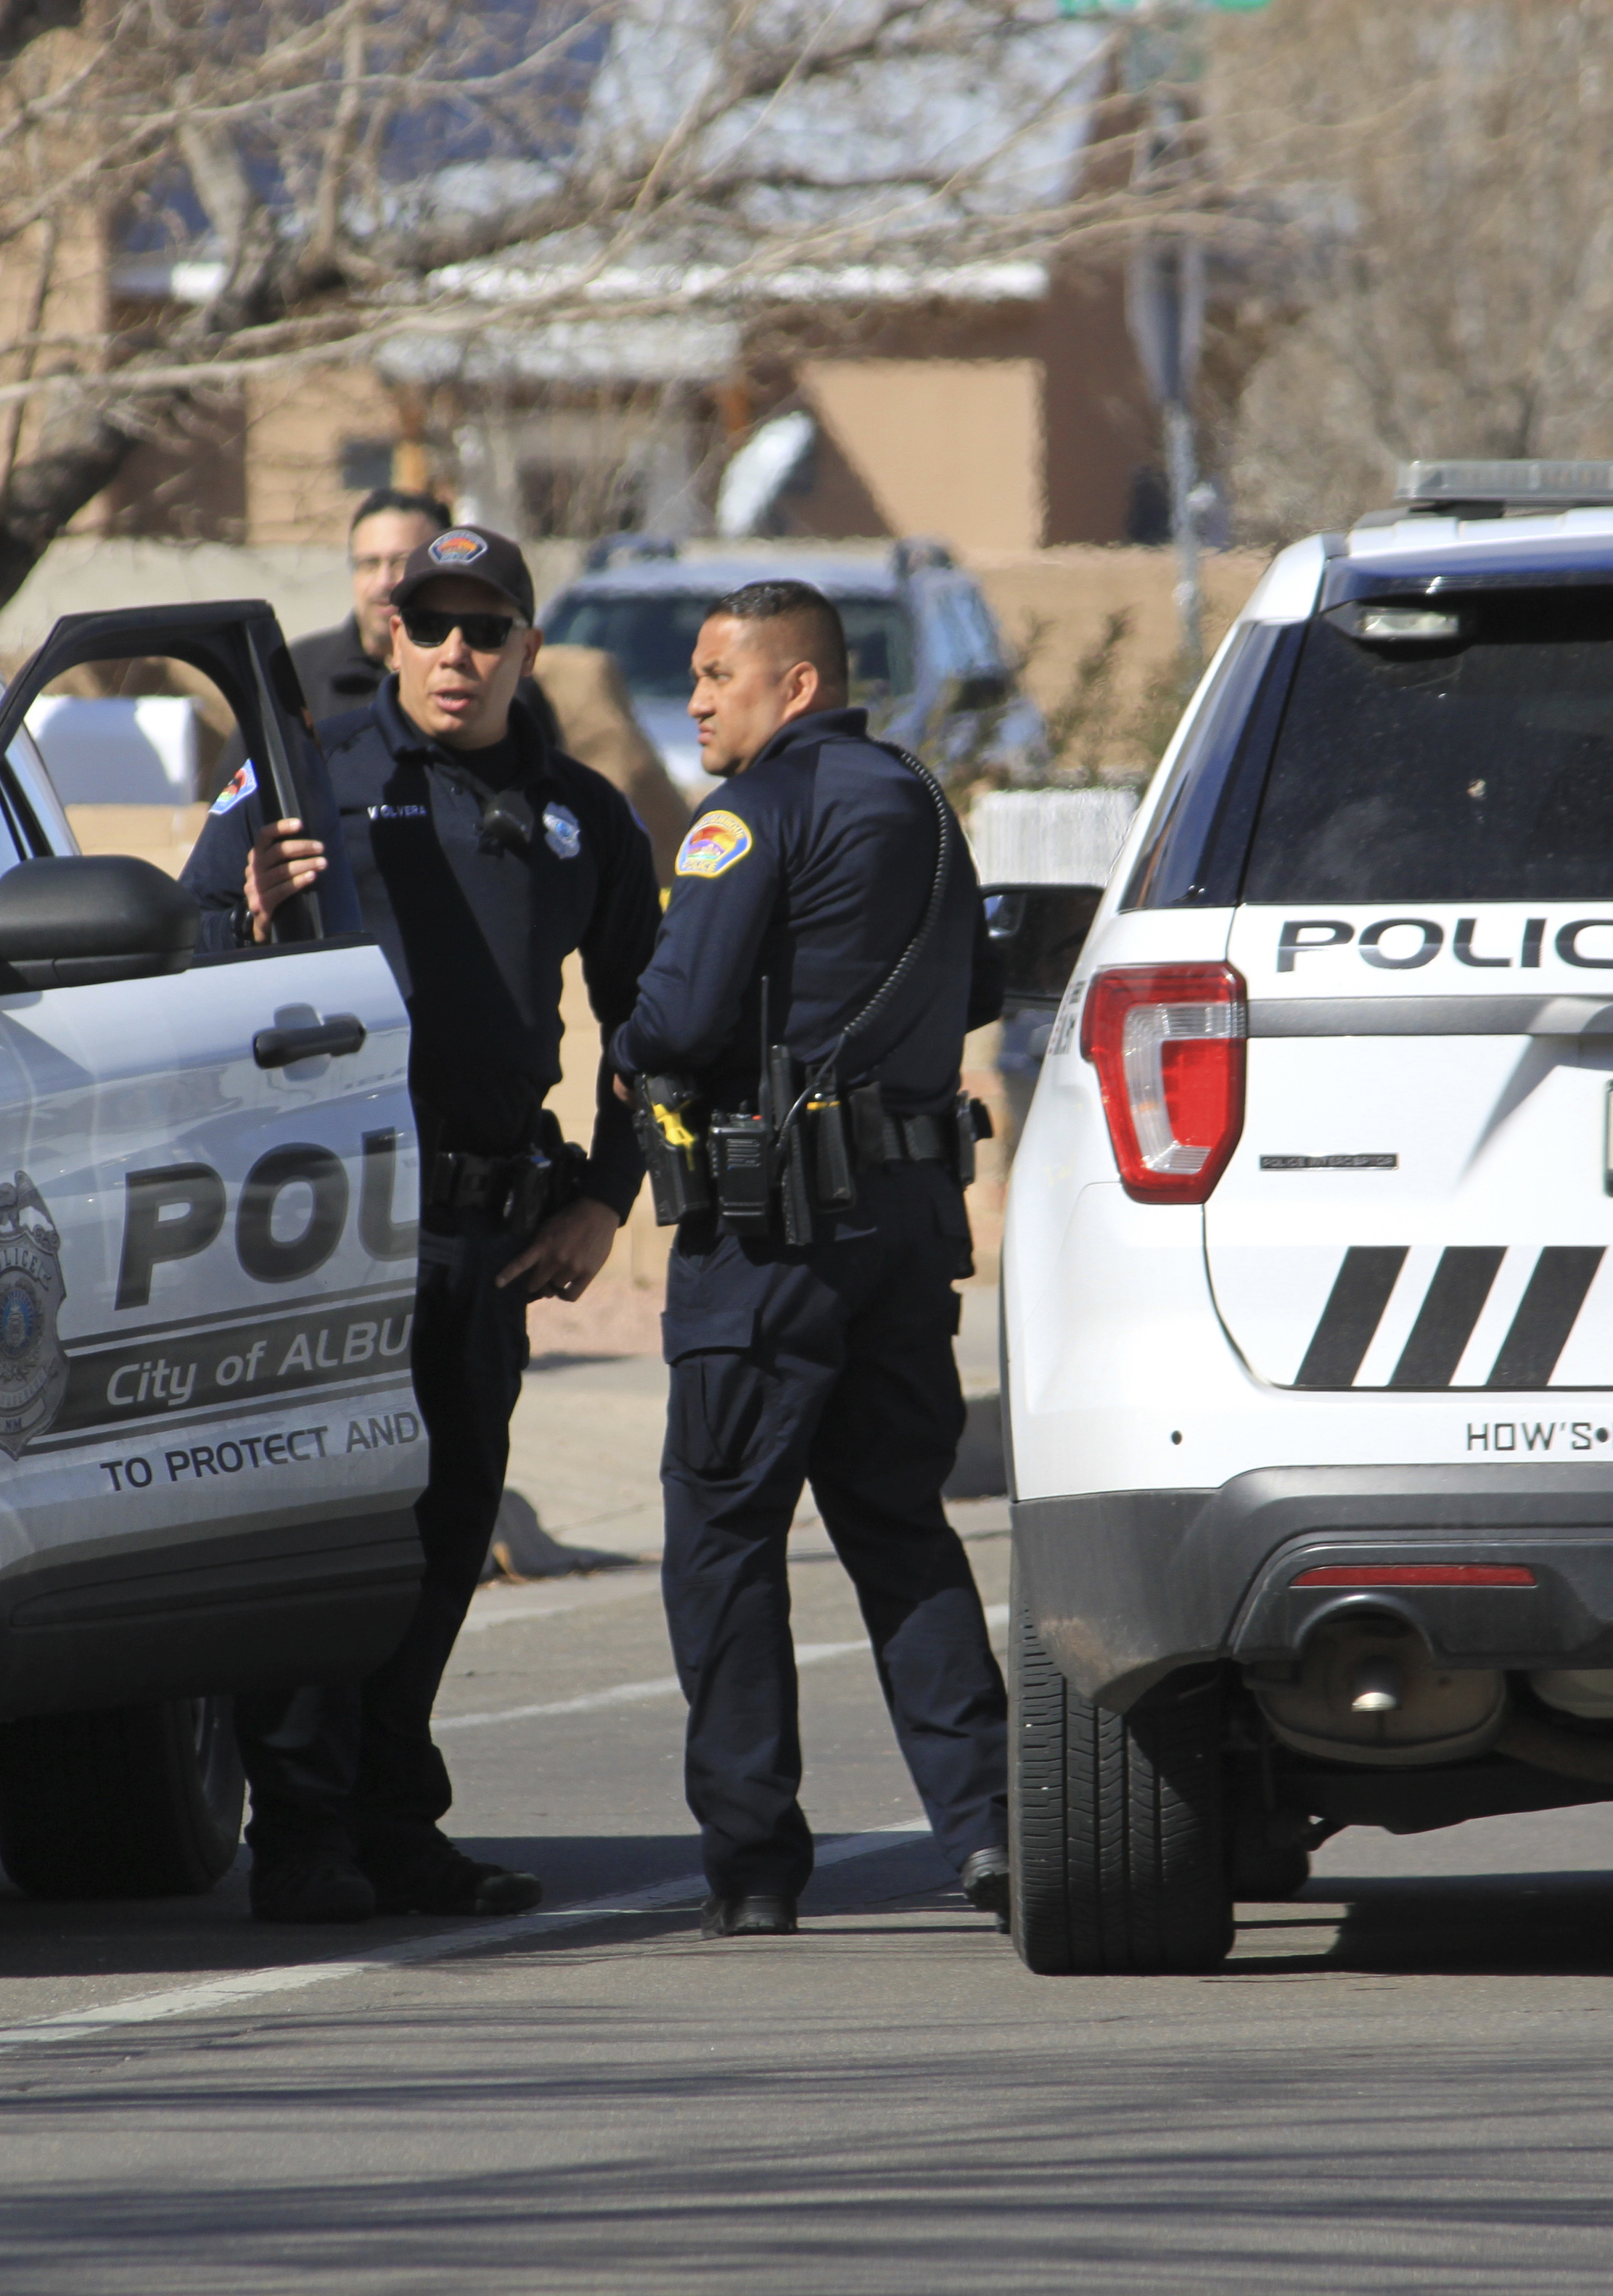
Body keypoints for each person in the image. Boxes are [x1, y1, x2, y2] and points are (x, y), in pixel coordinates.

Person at [182, 524, 657, 1924]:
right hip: (331, 1217)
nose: (457, 653)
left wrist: (602, 1197)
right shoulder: (306, 772)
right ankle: (303, 1832)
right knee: (335, 1524)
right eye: (430, 625)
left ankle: (394, 1821)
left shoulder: (584, 814)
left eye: (485, 628)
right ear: (390, 634)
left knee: (449, 1535)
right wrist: (249, 922)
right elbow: (187, 956)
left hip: (482, 1227)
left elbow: (651, 1019)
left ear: (524, 643)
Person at [608, 579, 1011, 1941]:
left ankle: (756, 1861)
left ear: (795, 685)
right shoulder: (927, 806)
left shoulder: (751, 813)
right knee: (902, 1530)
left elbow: (678, 1014)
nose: (700, 699)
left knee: (723, 1541)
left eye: (719, 674)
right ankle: (995, 1829)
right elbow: (978, 998)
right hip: (906, 1227)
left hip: (772, 1238)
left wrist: (628, 1046)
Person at [217, 487, 562, 777]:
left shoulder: (506, 684)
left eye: (401, 562)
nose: (384, 583)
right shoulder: (293, 675)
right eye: (369, 564)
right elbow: (238, 797)